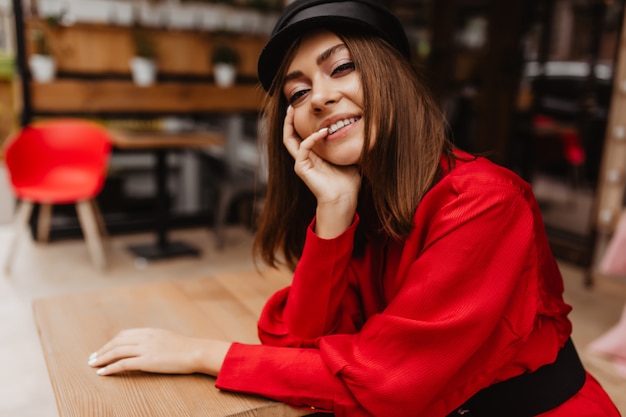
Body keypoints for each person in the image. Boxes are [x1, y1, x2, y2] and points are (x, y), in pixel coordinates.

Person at [88, 0, 621, 415]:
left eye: (341, 67)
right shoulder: (362, 202)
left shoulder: (484, 200)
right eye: (296, 94)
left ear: (394, 78)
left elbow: (387, 383)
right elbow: (300, 342)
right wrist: (335, 212)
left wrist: (200, 355)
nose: (317, 98)